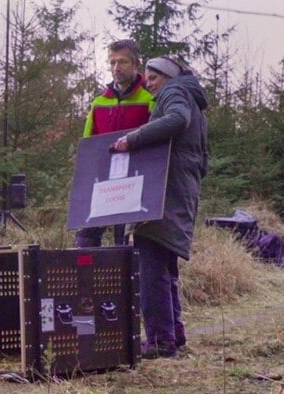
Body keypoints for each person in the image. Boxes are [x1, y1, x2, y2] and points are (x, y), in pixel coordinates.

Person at [111, 56, 209, 359]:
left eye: (152, 78)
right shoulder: (190, 97)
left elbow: (177, 120)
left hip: (164, 190)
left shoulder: (174, 92)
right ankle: (173, 333)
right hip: (180, 187)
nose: (148, 83)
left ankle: (159, 340)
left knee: (149, 260)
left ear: (167, 76)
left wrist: (134, 139)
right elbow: (201, 157)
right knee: (164, 262)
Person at [75, 39, 154, 248]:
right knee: (85, 239)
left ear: (137, 64)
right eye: (112, 63)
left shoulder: (151, 98)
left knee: (130, 245)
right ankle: (92, 280)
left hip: (138, 183)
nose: (116, 68)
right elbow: (89, 145)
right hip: (105, 183)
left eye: (122, 62)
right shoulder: (99, 102)